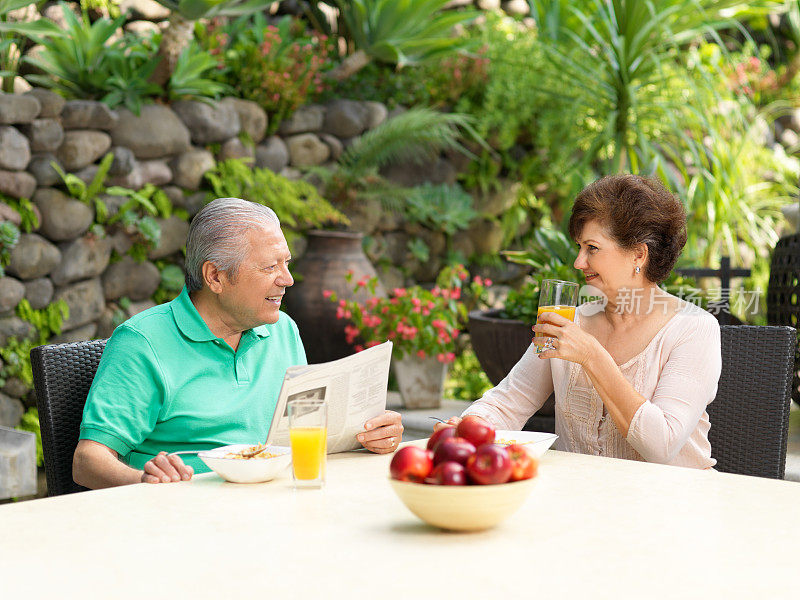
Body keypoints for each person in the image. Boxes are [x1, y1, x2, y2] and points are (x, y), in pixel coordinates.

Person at [73, 198, 403, 488]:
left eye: (286, 263)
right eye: (270, 266)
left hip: (274, 510)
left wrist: (370, 434)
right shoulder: (143, 343)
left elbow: (307, 432)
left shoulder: (283, 330)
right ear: (215, 276)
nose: (286, 279)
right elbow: (87, 462)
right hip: (184, 525)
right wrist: (147, 481)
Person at [441, 174, 721, 469]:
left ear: (639, 254)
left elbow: (662, 445)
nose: (578, 262)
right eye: (579, 247)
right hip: (581, 500)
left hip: (671, 506)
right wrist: (466, 426)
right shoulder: (572, 322)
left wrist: (592, 356)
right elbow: (511, 399)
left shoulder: (693, 329)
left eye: (592, 248)